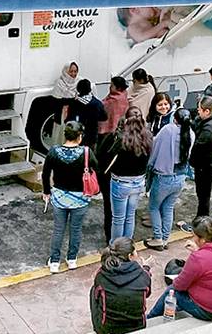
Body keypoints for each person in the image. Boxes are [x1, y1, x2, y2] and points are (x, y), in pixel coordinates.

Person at [147, 217, 212, 322]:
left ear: (202, 239)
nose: (193, 239)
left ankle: (150, 319)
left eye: (194, 236)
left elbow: (180, 285)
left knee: (172, 291)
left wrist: (197, 253)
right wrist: (198, 250)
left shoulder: (198, 258)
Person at [42, 121, 98, 273]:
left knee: (58, 230)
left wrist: (46, 191)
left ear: (65, 135)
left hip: (59, 197)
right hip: (80, 199)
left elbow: (45, 173)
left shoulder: (54, 151)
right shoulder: (86, 152)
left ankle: (54, 262)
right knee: (76, 229)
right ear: (80, 136)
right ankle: (72, 259)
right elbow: (96, 169)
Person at [98, 106, 153, 242]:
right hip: (138, 182)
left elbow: (105, 157)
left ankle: (116, 247)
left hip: (120, 183)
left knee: (118, 218)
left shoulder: (119, 139)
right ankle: (127, 244)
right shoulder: (148, 137)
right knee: (130, 215)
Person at [144, 109, 194, 251]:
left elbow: (155, 146)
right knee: (168, 207)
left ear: (175, 119)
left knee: (154, 207)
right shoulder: (191, 133)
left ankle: (158, 238)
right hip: (180, 177)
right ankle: (165, 239)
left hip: (163, 177)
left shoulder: (168, 130)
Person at [90, 237, 152, 334]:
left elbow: (97, 297)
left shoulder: (102, 274)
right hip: (137, 327)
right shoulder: (143, 275)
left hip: (107, 329)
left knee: (94, 290)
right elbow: (147, 294)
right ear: (129, 256)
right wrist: (146, 268)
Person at [183, 96, 212, 225]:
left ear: (207, 111)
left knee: (203, 194)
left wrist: (190, 163)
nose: (198, 112)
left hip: (207, 166)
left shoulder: (210, 129)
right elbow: (198, 124)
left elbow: (198, 149)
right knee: (203, 193)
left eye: (199, 110)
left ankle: (201, 221)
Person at [67, 79, 107, 148]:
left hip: (77, 134)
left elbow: (69, 118)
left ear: (78, 89)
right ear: (90, 89)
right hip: (92, 134)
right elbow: (104, 117)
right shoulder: (97, 103)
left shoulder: (74, 103)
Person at [51, 62, 80, 142]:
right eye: (71, 71)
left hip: (73, 115)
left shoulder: (79, 82)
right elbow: (56, 100)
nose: (73, 74)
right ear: (66, 71)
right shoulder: (59, 83)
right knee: (59, 136)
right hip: (61, 115)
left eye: (75, 71)